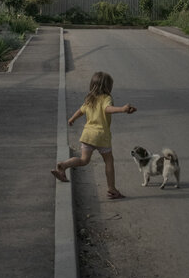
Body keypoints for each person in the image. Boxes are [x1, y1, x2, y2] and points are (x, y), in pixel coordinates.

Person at [51, 71, 136, 199]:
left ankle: (63, 165)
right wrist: (122, 109)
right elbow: (107, 109)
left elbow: (81, 111)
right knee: (109, 161)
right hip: (101, 136)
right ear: (107, 87)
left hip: (87, 135)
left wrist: (72, 119)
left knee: (83, 160)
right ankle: (111, 188)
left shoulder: (89, 99)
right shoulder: (107, 98)